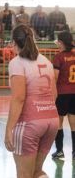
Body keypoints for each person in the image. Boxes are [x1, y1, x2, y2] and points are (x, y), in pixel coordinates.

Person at [4, 24, 58, 178]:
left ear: (14, 42)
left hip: (30, 124)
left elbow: (19, 98)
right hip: (51, 120)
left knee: (24, 174)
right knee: (36, 171)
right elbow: (54, 94)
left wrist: (9, 129)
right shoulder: (46, 61)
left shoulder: (17, 63)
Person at [51, 31, 75, 159]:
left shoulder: (58, 57)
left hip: (62, 94)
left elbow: (55, 77)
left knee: (58, 123)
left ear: (61, 42)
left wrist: (52, 94)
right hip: (74, 94)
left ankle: (59, 151)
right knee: (74, 124)